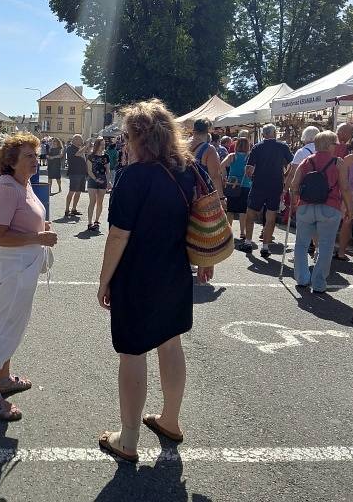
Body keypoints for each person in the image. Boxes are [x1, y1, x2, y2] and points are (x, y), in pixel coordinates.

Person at [95, 99, 210, 463]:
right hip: (175, 269)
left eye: (128, 136)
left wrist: (103, 280)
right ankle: (170, 420)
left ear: (139, 138)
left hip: (137, 273)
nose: (125, 143)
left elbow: (118, 236)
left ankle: (127, 440)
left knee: (132, 351)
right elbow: (206, 212)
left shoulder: (135, 176)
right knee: (170, 343)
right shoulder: (188, 170)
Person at [0, 133, 57, 421]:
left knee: (15, 322)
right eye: (29, 156)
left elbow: (21, 220)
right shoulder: (9, 186)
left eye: (36, 155)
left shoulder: (22, 184)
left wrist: (40, 227)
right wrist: (38, 235)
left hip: (24, 263)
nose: (35, 160)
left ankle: (3, 378)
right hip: (15, 265)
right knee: (6, 324)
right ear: (11, 161)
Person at [289, 131, 351, 293]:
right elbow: (344, 188)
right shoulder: (338, 162)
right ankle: (318, 282)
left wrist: (295, 203)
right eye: (335, 144)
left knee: (301, 244)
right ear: (330, 145)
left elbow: (294, 186)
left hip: (305, 206)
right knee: (326, 246)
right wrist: (350, 209)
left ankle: (302, 278)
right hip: (330, 207)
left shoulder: (306, 161)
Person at [237, 124, 292, 257]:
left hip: (259, 185)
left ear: (263, 134)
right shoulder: (283, 146)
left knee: (251, 213)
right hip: (276, 185)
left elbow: (249, 169)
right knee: (271, 216)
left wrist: (252, 177)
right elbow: (292, 163)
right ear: (274, 133)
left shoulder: (257, 147)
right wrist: (284, 176)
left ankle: (248, 242)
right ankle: (265, 247)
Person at [221, 137, 252, 240]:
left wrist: (225, 176)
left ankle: (228, 231)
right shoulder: (249, 157)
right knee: (243, 211)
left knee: (230, 210)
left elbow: (221, 167)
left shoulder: (232, 156)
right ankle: (242, 232)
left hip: (232, 185)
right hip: (245, 185)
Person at [189, 119, 224, 199]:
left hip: (183, 194)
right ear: (208, 130)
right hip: (201, 196)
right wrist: (221, 198)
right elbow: (215, 176)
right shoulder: (209, 149)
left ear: (194, 129)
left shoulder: (182, 146)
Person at [80, 137, 110, 231]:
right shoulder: (91, 156)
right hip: (92, 180)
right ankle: (89, 222)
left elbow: (108, 171)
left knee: (100, 202)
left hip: (103, 181)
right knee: (92, 201)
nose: (103, 146)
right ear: (97, 145)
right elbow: (89, 170)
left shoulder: (106, 156)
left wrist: (108, 181)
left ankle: (96, 221)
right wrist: (96, 179)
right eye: (101, 144)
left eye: (104, 145)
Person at [65, 134, 87, 217]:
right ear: (75, 140)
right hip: (74, 173)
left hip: (82, 173)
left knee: (78, 192)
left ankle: (74, 209)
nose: (81, 141)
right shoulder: (70, 148)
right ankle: (67, 210)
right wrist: (86, 146)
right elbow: (77, 154)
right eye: (80, 139)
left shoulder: (79, 148)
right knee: (72, 191)